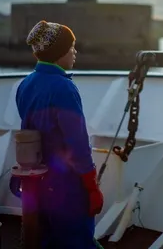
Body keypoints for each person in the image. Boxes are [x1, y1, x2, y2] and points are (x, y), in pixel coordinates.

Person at [16, 20, 104, 248]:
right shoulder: (64, 88)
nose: (74, 52)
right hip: (66, 185)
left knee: (46, 238)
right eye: (71, 47)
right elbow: (78, 144)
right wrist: (92, 187)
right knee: (77, 240)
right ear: (58, 53)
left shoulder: (25, 84)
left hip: (38, 181)